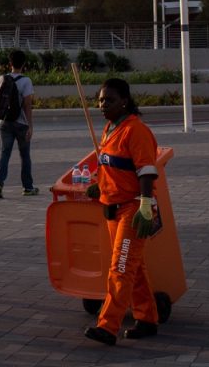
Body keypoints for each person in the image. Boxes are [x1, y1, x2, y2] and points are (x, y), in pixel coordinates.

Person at [83, 78, 162, 346]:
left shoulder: (135, 131)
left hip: (132, 209)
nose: (103, 105)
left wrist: (144, 203)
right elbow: (110, 165)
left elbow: (147, 171)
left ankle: (107, 326)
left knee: (120, 268)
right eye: (101, 100)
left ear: (124, 101)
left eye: (109, 100)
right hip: (112, 209)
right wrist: (97, 185)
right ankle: (148, 318)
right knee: (133, 267)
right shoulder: (109, 128)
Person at [0, 49, 39, 197]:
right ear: (23, 64)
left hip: (5, 122)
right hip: (21, 124)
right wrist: (30, 126)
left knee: (5, 153)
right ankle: (28, 187)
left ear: (10, 63)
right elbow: (27, 105)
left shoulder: (2, 79)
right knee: (24, 155)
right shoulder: (26, 81)